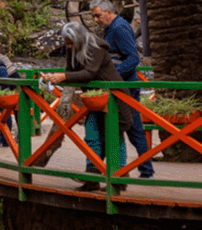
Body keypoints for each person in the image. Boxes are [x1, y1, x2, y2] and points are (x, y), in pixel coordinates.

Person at [43, 21, 135, 193]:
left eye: (70, 42)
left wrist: (63, 76)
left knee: (114, 137)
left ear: (78, 39)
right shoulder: (73, 50)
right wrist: (57, 76)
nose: (68, 45)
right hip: (94, 99)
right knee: (92, 136)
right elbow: (70, 71)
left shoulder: (96, 48)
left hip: (114, 98)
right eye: (66, 42)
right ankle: (92, 177)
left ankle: (119, 178)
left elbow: (89, 72)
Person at [90, 0, 154, 179]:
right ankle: (102, 169)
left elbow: (133, 58)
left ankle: (142, 172)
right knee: (119, 129)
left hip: (125, 88)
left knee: (132, 129)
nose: (96, 20)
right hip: (119, 87)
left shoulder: (119, 28)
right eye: (93, 17)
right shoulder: (113, 28)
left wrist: (114, 75)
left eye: (98, 15)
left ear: (109, 12)